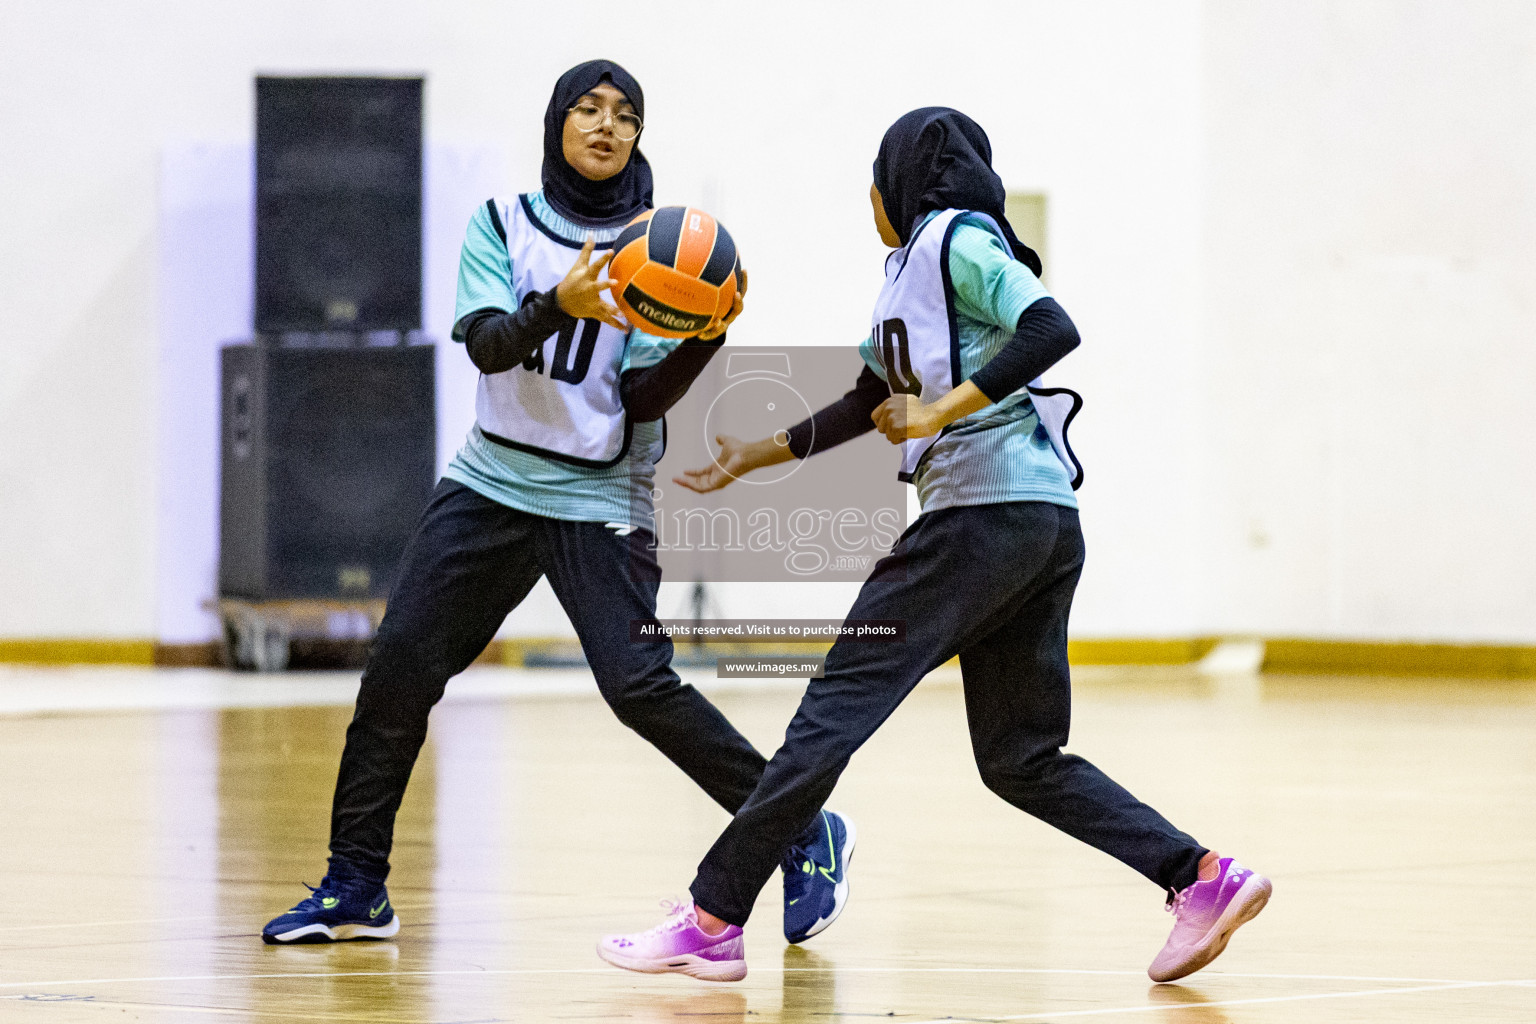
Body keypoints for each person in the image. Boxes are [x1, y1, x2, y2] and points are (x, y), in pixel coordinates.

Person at [597, 107, 1271, 984]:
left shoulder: (957, 238)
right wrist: (755, 455)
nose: (867, 198)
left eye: (873, 180)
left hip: (980, 522)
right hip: (1031, 526)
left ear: (904, 182)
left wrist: (942, 412)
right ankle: (1199, 877)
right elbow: (864, 400)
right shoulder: (908, 275)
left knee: (827, 717)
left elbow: (1051, 327)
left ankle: (713, 917)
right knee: (1021, 760)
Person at [262, 60, 853, 946]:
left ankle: (802, 826)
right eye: (589, 109)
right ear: (558, 122)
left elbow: (646, 399)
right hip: (491, 483)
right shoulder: (501, 223)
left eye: (626, 115)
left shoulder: (663, 249)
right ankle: (356, 886)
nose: (608, 126)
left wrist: (709, 333)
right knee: (397, 674)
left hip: (601, 493)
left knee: (638, 688)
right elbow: (491, 349)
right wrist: (558, 303)